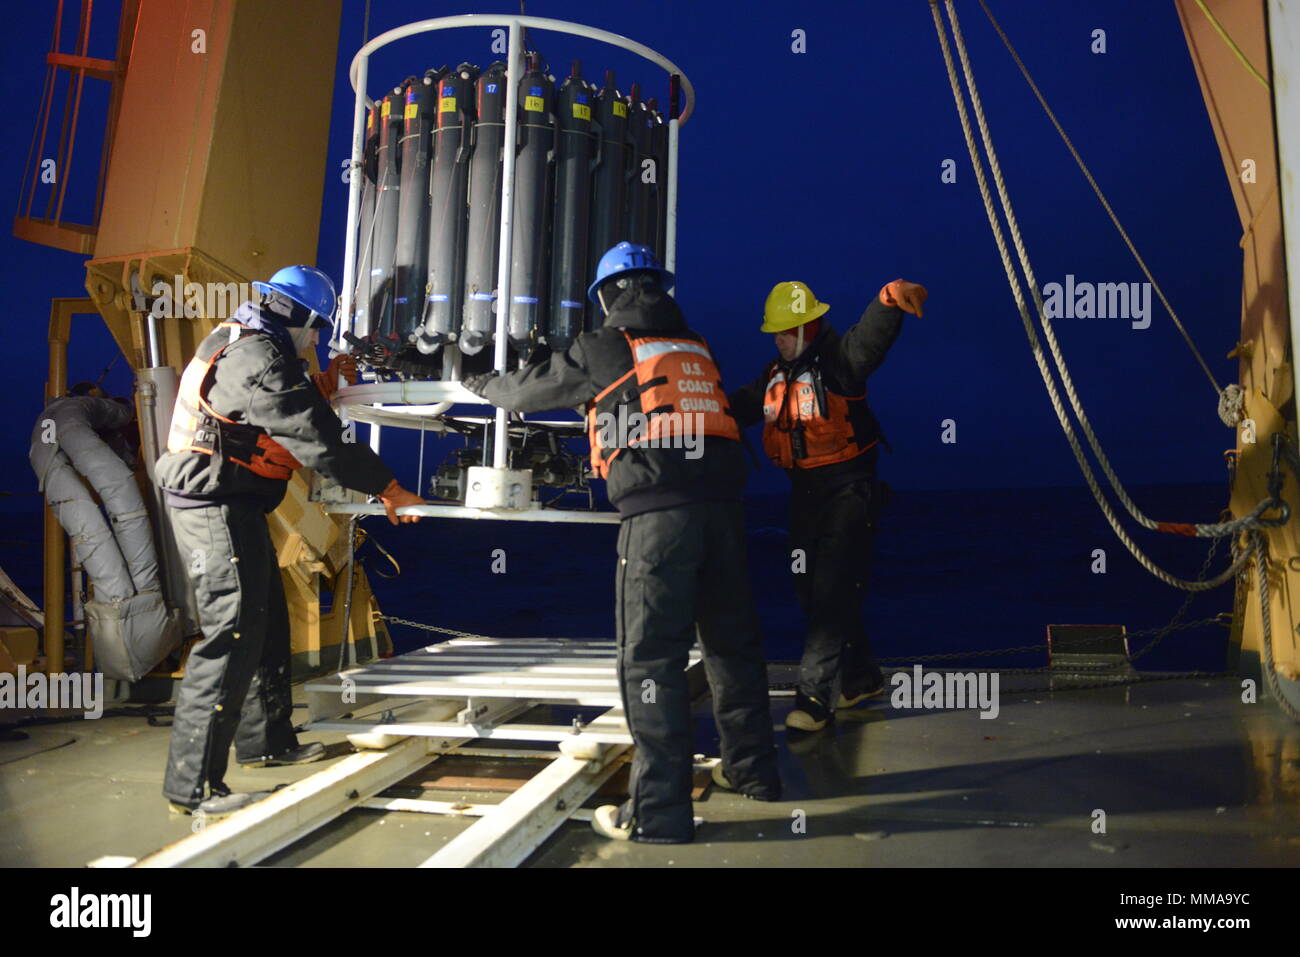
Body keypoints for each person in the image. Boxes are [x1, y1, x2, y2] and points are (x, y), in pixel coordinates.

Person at [462, 242, 781, 843]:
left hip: (659, 520)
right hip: (726, 515)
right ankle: (755, 774)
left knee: (650, 661)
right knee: (732, 649)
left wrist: (476, 376)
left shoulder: (602, 345)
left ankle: (658, 816)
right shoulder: (694, 347)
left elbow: (525, 394)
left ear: (608, 296)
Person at [155, 264, 426, 817]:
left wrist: (330, 380)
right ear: (299, 316)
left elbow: (281, 402)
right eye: (317, 328)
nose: (316, 339)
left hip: (233, 503)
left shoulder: (249, 348)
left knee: (266, 622)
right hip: (212, 507)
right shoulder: (256, 356)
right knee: (230, 634)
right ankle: (194, 789)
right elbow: (310, 431)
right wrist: (390, 488)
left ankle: (266, 743)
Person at [728, 278, 926, 732]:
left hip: (850, 493)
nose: (777, 338)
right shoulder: (774, 376)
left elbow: (868, 340)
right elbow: (737, 405)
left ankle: (816, 699)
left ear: (807, 329)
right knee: (808, 589)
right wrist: (686, 410)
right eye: (774, 331)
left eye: (785, 330)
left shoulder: (839, 362)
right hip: (805, 495)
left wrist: (888, 300)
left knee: (832, 590)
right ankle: (860, 679)